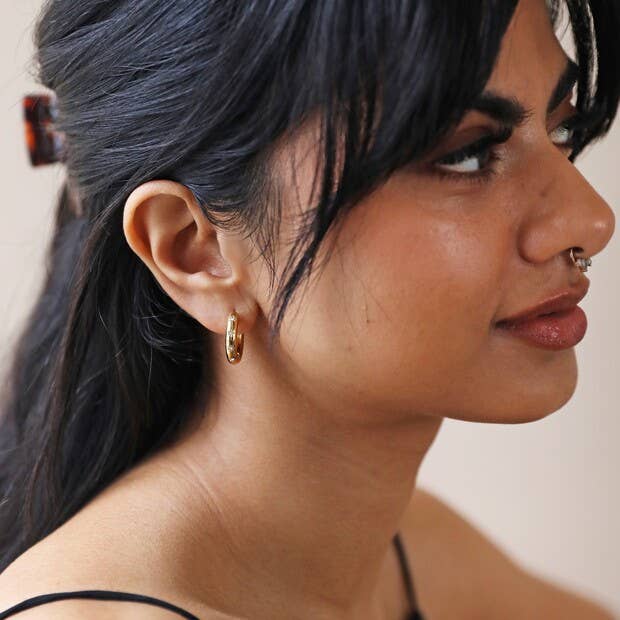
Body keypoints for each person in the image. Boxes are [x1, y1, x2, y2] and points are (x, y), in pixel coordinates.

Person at [0, 0, 618, 617]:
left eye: (561, 129)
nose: (591, 220)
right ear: (198, 252)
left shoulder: (406, 560)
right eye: (467, 155)